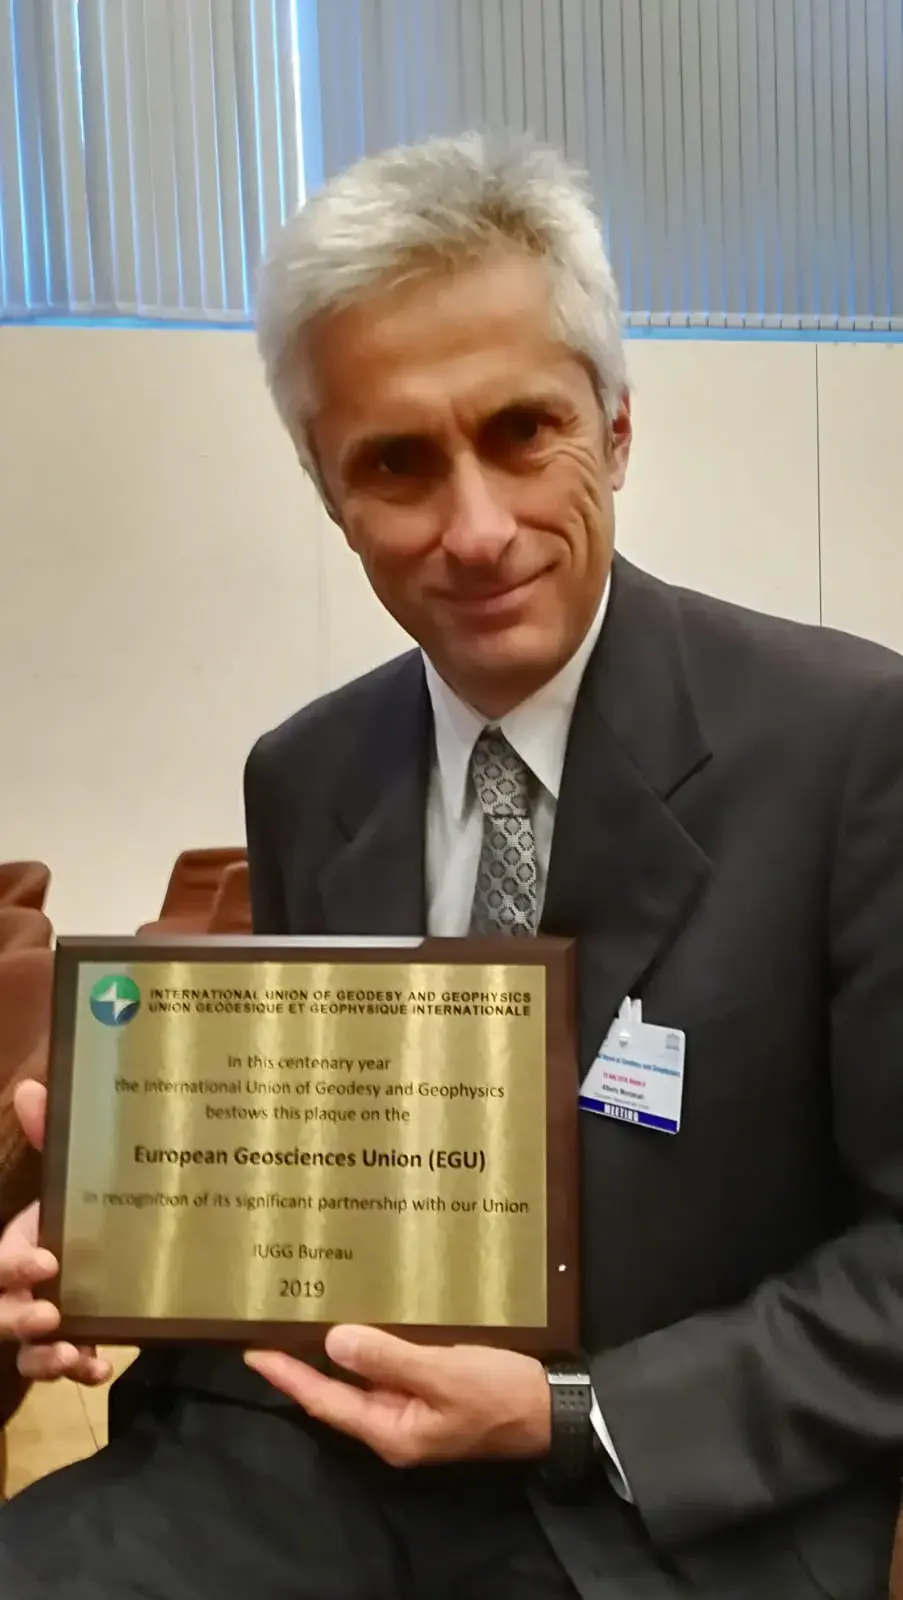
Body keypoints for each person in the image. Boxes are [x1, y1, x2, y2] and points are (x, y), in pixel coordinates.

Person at [1, 132, 902, 1600]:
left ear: (615, 428)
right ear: (328, 492)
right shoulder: (306, 775)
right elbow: (322, 1206)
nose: (474, 530)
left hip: (657, 1509)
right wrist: (118, 1231)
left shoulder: (856, 748)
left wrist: (571, 1412)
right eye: (399, 464)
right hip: (314, 1469)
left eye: (520, 432)